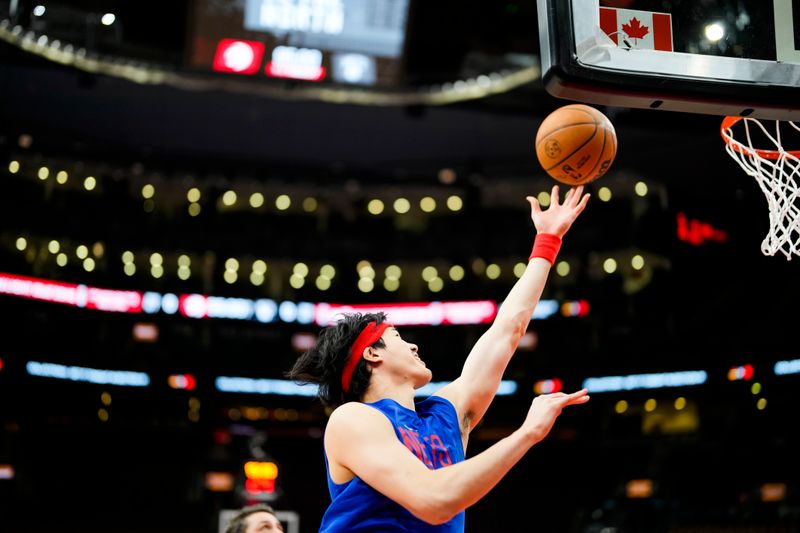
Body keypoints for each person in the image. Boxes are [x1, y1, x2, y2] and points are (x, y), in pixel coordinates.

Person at [289, 185, 592, 532]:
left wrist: (547, 242)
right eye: (399, 338)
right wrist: (527, 433)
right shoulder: (353, 420)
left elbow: (509, 328)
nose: (415, 347)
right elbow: (433, 502)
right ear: (372, 354)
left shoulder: (446, 414)